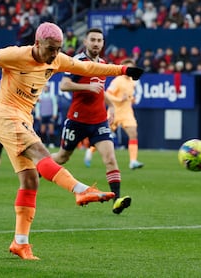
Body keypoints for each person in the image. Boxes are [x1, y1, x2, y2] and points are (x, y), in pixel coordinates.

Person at [0, 22, 144, 260]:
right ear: (37, 43)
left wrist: (123, 71)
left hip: (23, 119)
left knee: (31, 180)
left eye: (58, 49)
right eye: (50, 48)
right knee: (42, 152)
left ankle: (20, 243)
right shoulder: (14, 55)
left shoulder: (56, 59)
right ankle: (80, 190)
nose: (54, 54)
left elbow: (86, 67)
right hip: (6, 117)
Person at [51, 28, 133, 217]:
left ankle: (117, 200)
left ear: (103, 44)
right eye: (93, 40)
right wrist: (87, 86)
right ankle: (40, 166)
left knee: (110, 159)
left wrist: (111, 106)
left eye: (99, 40)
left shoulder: (103, 64)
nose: (96, 43)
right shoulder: (78, 62)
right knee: (63, 157)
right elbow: (64, 85)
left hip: (99, 121)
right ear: (86, 42)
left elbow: (100, 91)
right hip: (77, 120)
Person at [105, 58, 144, 169]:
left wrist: (132, 99)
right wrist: (119, 100)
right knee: (103, 137)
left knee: (133, 134)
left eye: (132, 68)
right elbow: (107, 94)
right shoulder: (117, 81)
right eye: (128, 68)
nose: (130, 70)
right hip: (114, 112)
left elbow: (129, 96)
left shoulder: (133, 81)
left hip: (127, 113)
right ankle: (90, 152)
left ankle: (133, 161)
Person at [35, 82, 58, 148]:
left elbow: (54, 105)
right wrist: (37, 115)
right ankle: (44, 143)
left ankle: (51, 143)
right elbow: (38, 106)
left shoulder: (52, 96)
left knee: (51, 130)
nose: (46, 88)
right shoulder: (40, 96)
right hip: (43, 115)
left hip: (50, 115)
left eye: (47, 87)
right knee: (43, 130)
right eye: (45, 87)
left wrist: (54, 114)